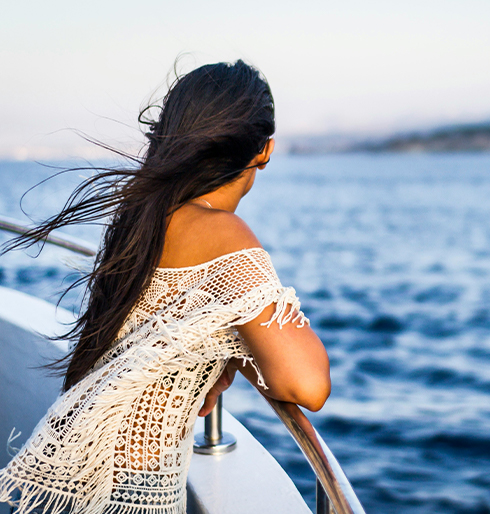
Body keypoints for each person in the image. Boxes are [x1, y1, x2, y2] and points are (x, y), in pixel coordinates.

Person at [0, 60, 330, 514]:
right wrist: (239, 343)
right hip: (130, 489)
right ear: (265, 149)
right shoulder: (224, 234)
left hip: (84, 465)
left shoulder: (145, 215)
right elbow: (307, 386)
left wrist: (229, 342)